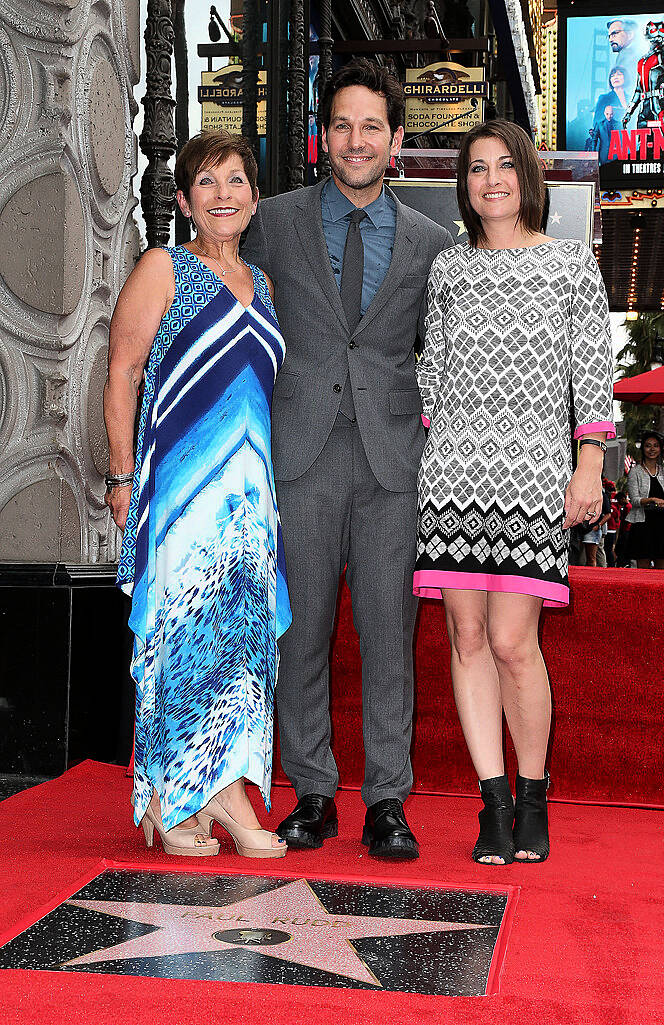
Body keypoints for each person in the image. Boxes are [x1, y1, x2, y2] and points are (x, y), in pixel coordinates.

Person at [242, 59, 451, 860]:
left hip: (394, 462)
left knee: (388, 635)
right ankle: (313, 792)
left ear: (395, 141)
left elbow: (450, 355)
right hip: (298, 454)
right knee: (302, 633)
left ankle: (387, 800)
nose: (355, 140)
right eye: (342, 126)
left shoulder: (435, 243)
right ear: (320, 137)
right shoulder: (272, 222)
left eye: (372, 127)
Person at [414, 119, 615, 865]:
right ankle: (492, 804)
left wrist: (586, 461)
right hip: (453, 475)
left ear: (527, 178)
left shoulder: (570, 265)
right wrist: (434, 441)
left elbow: (588, 369)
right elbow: (430, 369)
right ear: (462, 186)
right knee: (465, 639)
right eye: (475, 169)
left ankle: (533, 796)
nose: (490, 179)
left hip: (532, 475)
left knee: (510, 641)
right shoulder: (449, 269)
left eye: (503, 166)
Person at [104, 131, 291, 858]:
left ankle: (223, 790)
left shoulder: (265, 284)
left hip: (249, 506)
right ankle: (167, 791)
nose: (223, 194)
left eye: (237, 181)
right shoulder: (164, 267)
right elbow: (121, 370)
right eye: (207, 182)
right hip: (182, 497)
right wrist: (122, 478)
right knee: (184, 642)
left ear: (253, 197)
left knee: (242, 653)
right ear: (184, 199)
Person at [625, 431, 664, 569]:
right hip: (642, 524)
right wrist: (652, 499)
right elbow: (634, 500)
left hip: (663, 523)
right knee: (643, 568)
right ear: (643, 448)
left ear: (660, 448)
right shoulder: (635, 472)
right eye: (648, 446)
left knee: (663, 567)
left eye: (656, 446)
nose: (652, 449)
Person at [581, 481, 611, 566]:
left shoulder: (601, 495)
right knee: (585, 558)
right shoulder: (584, 493)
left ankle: (593, 575)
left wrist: (599, 525)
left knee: (591, 558)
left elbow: (608, 514)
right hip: (582, 528)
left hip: (592, 528)